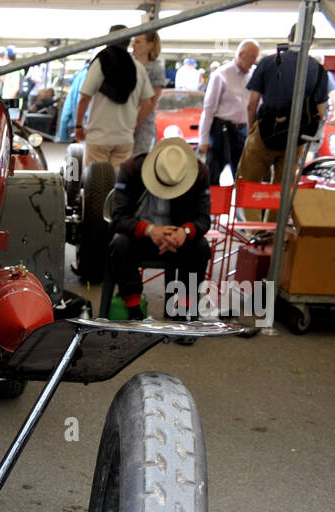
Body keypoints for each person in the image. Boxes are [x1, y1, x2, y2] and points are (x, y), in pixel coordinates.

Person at [106, 137, 211, 321]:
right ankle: (133, 309)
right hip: (140, 236)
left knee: (201, 247)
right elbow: (118, 218)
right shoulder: (130, 168)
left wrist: (184, 232)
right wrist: (149, 230)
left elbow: (204, 218)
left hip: (177, 238)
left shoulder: (200, 172)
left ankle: (185, 309)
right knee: (119, 244)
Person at [236, 38, 328, 218]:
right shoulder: (319, 70)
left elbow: (252, 104)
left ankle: (255, 232)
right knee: (283, 188)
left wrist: (251, 130)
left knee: (247, 182)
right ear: (312, 41)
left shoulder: (269, 62)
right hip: (296, 139)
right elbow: (321, 112)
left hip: (265, 133)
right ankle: (272, 234)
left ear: (289, 38)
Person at [75, 26, 155, 167]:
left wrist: (78, 126)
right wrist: (134, 125)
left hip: (99, 138)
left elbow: (84, 97)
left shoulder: (100, 63)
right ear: (128, 42)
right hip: (124, 139)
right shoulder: (138, 67)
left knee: (95, 184)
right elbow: (148, 103)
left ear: (108, 40)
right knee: (117, 184)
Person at [199, 40, 259, 185]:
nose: (254, 61)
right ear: (240, 54)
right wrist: (204, 139)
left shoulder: (254, 75)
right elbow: (208, 109)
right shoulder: (221, 75)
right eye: (251, 57)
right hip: (221, 130)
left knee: (242, 174)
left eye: (255, 57)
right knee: (214, 172)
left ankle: (239, 206)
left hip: (243, 130)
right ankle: (212, 206)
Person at [131, 29, 165, 155]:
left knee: (138, 161)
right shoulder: (129, 65)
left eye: (138, 42)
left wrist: (135, 126)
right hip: (125, 122)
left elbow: (150, 103)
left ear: (150, 45)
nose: (133, 45)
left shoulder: (156, 69)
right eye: (134, 42)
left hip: (143, 125)